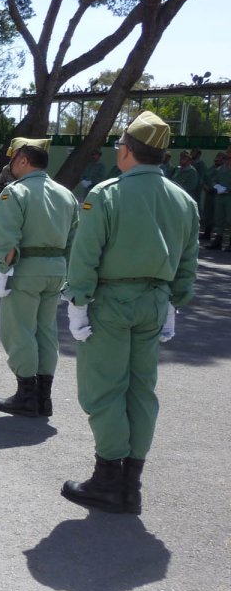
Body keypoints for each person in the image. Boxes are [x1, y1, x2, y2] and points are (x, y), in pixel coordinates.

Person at [61, 110, 199, 515]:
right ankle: (130, 485)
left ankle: (107, 479)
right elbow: (188, 261)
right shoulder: (184, 200)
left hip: (111, 301)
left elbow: (86, 254)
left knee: (105, 388)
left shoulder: (107, 194)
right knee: (141, 390)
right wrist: (175, 301)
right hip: (155, 302)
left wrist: (77, 302)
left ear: (126, 151)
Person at [0, 137, 78, 418]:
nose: (11, 166)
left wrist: (2, 273)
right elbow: (74, 241)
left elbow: (9, 243)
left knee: (20, 331)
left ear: (23, 160)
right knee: (46, 331)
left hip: (25, 270)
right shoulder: (66, 195)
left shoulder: (15, 192)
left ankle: (26, 396)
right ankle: (43, 397)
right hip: (56, 270)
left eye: (13, 160)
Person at [209, 148, 231, 251]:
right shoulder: (221, 168)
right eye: (228, 153)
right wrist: (216, 186)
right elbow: (214, 180)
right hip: (220, 197)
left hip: (229, 197)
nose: (228, 155)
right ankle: (218, 240)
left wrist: (227, 189)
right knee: (219, 218)